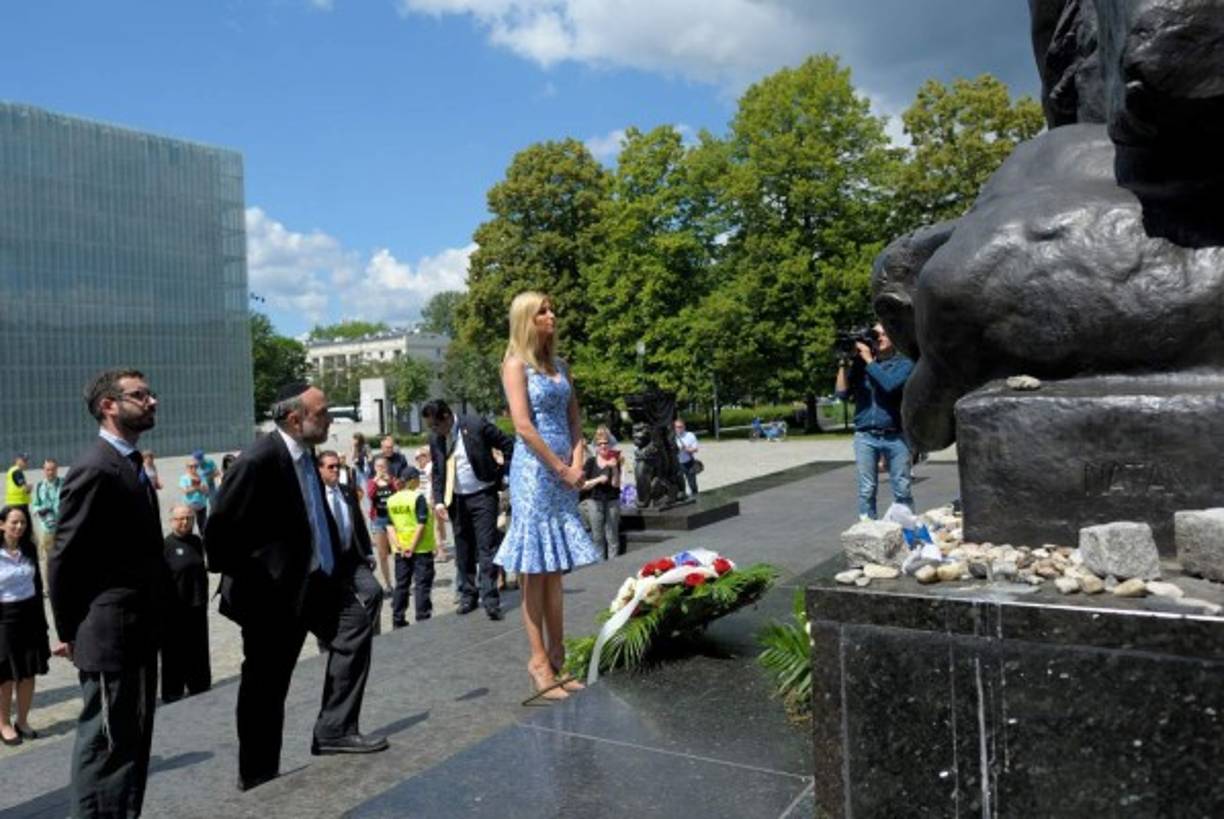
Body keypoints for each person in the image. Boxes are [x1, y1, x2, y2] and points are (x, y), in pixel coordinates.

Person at [206, 382, 387, 793]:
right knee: (266, 685)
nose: (330, 420)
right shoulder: (258, 461)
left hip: (317, 582)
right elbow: (217, 538)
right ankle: (257, 775)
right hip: (270, 596)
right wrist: (260, 581)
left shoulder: (306, 457)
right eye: (322, 413)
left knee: (355, 623)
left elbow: (313, 518)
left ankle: (335, 729)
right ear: (294, 419)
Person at [48, 368, 168, 817]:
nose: (152, 401)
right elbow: (63, 557)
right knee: (105, 746)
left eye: (150, 393)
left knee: (130, 742)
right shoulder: (96, 467)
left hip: (138, 630)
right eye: (140, 395)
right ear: (108, 406)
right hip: (108, 634)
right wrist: (69, 630)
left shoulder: (130, 463)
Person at [493, 292, 599, 702]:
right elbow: (522, 426)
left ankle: (558, 657)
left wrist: (578, 461)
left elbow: (575, 420)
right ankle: (538, 661)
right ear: (526, 319)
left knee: (555, 570)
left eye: (551, 309)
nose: (552, 315)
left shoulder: (561, 366)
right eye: (543, 311)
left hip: (563, 472)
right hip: (535, 474)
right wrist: (560, 468)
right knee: (535, 570)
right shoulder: (515, 364)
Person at [422, 398, 514, 620]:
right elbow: (438, 471)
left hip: (483, 495)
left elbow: (508, 444)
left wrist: (503, 474)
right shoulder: (436, 438)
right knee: (463, 549)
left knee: (486, 547)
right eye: (430, 427)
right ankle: (468, 595)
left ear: (446, 417)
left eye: (435, 425)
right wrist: (439, 501)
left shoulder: (474, 424)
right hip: (456, 499)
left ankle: (490, 599)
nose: (433, 430)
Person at [835, 322, 915, 520]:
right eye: (875, 335)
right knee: (867, 489)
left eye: (884, 334)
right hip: (865, 435)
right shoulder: (861, 364)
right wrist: (843, 363)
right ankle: (868, 528)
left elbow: (890, 385)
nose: (879, 338)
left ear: (894, 338)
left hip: (896, 434)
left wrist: (869, 360)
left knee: (902, 487)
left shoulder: (905, 364)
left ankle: (907, 528)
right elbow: (842, 393)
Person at [317, 450, 384, 637]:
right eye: (330, 467)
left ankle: (368, 637)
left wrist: (368, 552)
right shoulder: (316, 497)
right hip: (329, 562)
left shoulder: (347, 491)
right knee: (329, 606)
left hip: (353, 558)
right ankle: (331, 645)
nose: (335, 470)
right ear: (319, 469)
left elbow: (359, 523)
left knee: (374, 592)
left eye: (338, 466)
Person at [0, 505, 51, 745]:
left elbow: (38, 586)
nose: (19, 526)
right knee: (5, 677)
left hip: (30, 616)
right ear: (2, 525)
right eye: (14, 522)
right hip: (4, 620)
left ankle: (22, 721)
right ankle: (3, 724)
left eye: (23, 522)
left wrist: (42, 621)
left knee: (28, 673)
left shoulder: (29, 549)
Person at [160, 505, 211, 703]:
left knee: (198, 647)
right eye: (181, 519)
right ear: (171, 521)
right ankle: (173, 690)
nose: (185, 522)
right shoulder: (166, 546)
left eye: (189, 518)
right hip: (174, 608)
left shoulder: (197, 541)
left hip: (197, 605)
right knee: (174, 651)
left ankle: (199, 684)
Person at [384, 466, 435, 629]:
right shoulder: (417, 497)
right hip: (420, 549)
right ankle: (423, 618)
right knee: (422, 585)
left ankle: (398, 619)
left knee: (401, 584)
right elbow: (421, 524)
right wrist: (412, 547)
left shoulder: (392, 499)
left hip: (400, 549)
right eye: (418, 479)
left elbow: (389, 526)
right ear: (413, 481)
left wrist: (398, 544)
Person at [581, 425, 624, 559]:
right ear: (596, 446)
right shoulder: (591, 462)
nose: (603, 446)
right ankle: (600, 565)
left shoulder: (614, 461)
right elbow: (583, 485)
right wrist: (598, 479)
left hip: (612, 501)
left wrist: (614, 469)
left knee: (612, 536)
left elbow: (616, 484)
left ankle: (613, 564)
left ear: (610, 445)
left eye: (606, 443)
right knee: (597, 537)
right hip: (595, 502)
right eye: (600, 444)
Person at [364, 455, 399, 590]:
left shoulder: (392, 480)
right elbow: (370, 495)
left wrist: (390, 482)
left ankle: (400, 582)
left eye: (383, 466)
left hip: (393, 520)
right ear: (374, 468)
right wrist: (376, 480)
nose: (381, 469)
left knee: (397, 552)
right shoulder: (371, 482)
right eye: (378, 466)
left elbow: (397, 494)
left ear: (387, 467)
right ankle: (388, 584)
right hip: (378, 520)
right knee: (382, 555)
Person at [414, 446, 449, 561]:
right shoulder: (420, 468)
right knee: (434, 527)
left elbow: (435, 484)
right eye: (417, 457)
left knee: (435, 527)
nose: (419, 459)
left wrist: (434, 499)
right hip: (424, 501)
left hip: (431, 501)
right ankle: (436, 548)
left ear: (428, 456)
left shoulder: (430, 467)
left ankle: (441, 553)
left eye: (422, 456)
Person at [31, 458, 63, 561]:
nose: (50, 472)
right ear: (44, 470)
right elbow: (35, 505)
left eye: (53, 469)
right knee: (48, 557)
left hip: (62, 526)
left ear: (57, 469)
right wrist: (40, 510)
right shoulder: (40, 486)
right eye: (48, 469)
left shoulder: (64, 483)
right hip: (46, 528)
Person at [179, 459, 210, 535]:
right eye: (191, 466)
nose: (194, 468)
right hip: (190, 505)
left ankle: (204, 540)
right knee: (189, 525)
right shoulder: (184, 478)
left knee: (203, 526)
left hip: (201, 505)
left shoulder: (202, 477)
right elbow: (185, 491)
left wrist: (200, 488)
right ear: (187, 467)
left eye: (196, 466)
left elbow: (206, 491)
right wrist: (197, 487)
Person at [674, 418, 700, 496]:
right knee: (680, 485)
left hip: (689, 463)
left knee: (692, 484)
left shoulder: (690, 435)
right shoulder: (672, 437)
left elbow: (695, 449)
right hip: (677, 464)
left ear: (684, 427)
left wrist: (686, 449)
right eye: (677, 427)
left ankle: (696, 497)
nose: (678, 429)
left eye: (680, 427)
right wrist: (678, 449)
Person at [5, 453, 31, 520]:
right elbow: (25, 488)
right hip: (19, 503)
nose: (25, 463)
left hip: (13, 502)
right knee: (25, 523)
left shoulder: (11, 470)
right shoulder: (17, 472)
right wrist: (29, 488)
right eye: (23, 461)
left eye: (26, 461)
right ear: (17, 460)